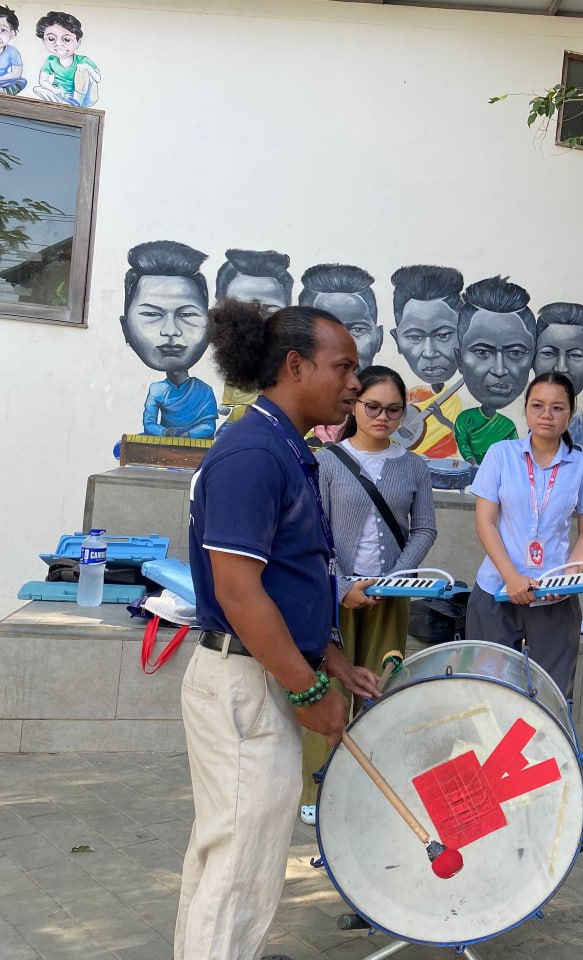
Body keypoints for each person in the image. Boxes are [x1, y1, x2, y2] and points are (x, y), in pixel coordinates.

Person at [175, 300, 381, 960]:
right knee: (238, 871)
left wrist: (328, 655)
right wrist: (305, 689)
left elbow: (287, 576)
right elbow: (239, 593)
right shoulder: (254, 454)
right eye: (344, 367)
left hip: (261, 672)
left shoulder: (285, 447)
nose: (356, 382)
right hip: (247, 682)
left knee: (229, 858)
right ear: (296, 366)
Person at [298, 365, 438, 826]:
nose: (382, 417)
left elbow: (424, 529)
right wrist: (342, 587)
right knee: (330, 688)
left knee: (383, 686)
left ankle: (372, 789)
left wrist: (392, 581)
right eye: (372, 407)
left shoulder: (414, 465)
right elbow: (313, 533)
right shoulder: (326, 461)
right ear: (354, 406)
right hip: (334, 597)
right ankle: (318, 788)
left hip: (390, 598)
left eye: (394, 410)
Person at [466, 371, 583, 696]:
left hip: (554, 597)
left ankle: (543, 750)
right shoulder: (501, 454)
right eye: (538, 405)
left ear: (570, 413)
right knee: (487, 693)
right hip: (496, 590)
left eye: (557, 408)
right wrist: (511, 577)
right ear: (526, 409)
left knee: (550, 697)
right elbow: (485, 522)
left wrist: (568, 578)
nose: (547, 415)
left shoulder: (582, 467)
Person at [120, 240, 218, 439]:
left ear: (211, 327)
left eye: (187, 315)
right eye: (151, 314)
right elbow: (149, 424)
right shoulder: (157, 390)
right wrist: (164, 432)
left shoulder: (204, 391)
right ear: (125, 329)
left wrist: (189, 435)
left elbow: (208, 426)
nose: (171, 331)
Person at [453, 276, 537, 465]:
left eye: (515, 352)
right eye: (482, 352)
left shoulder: (519, 425)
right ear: (459, 360)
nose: (499, 370)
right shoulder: (464, 419)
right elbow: (463, 445)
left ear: (533, 359)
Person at [388, 264, 465, 459]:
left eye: (444, 335)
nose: (430, 352)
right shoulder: (406, 396)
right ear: (397, 340)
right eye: (414, 337)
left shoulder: (461, 401)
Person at [214, 249, 294, 424]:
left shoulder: (293, 362)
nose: (258, 316)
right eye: (245, 309)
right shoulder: (232, 360)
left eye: (270, 309)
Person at [533, 302, 583, 449]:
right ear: (532, 360)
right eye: (548, 353)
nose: (560, 368)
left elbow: (580, 446)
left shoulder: (576, 415)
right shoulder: (532, 412)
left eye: (575, 355)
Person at [31, 10, 99, 106]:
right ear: (44, 41)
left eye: (66, 39)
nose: (58, 44)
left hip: (83, 96)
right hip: (61, 94)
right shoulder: (51, 60)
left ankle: (75, 103)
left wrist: (88, 68)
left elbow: (97, 78)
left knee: (81, 69)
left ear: (78, 43)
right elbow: (43, 80)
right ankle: (64, 103)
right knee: (37, 89)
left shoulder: (82, 60)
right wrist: (54, 90)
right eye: (51, 39)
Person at [0, 7, 26, 95]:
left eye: (3, 30)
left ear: (12, 34)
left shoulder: (12, 51)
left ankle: (4, 91)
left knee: (22, 81)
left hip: (3, 80)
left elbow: (16, 73)